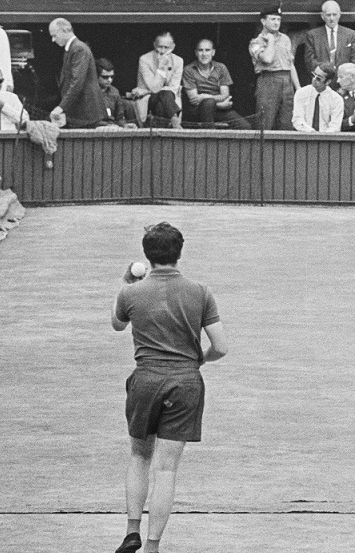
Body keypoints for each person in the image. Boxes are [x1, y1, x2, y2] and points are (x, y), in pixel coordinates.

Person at [112, 222, 228, 553]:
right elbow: (220, 346)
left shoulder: (131, 292)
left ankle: (131, 530)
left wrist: (126, 285)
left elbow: (117, 324)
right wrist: (197, 361)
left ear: (147, 255)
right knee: (166, 468)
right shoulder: (200, 292)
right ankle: (151, 546)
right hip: (185, 382)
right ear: (179, 252)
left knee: (138, 455)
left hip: (145, 379)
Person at [249, 4, 300, 130]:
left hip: (287, 81)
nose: (276, 23)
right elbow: (267, 59)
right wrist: (270, 41)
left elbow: (290, 64)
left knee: (287, 122)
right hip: (268, 81)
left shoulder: (285, 39)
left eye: (278, 19)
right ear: (263, 21)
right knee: (265, 122)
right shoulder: (256, 42)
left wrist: (298, 87)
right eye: (272, 19)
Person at [49, 18, 106, 129]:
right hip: (81, 112)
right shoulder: (74, 48)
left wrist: (61, 108)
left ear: (65, 30)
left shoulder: (78, 49)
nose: (53, 40)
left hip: (84, 113)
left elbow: (77, 82)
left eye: (55, 35)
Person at [182, 39, 251, 129]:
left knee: (245, 127)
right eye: (200, 50)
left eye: (207, 50)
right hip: (198, 110)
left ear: (213, 52)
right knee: (208, 103)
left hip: (218, 110)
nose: (204, 54)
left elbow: (225, 95)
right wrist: (220, 105)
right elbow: (194, 99)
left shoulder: (221, 68)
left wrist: (204, 97)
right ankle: (210, 140)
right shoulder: (189, 69)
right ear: (196, 53)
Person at [131, 32, 184, 129]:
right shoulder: (144, 59)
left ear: (173, 47)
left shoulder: (178, 61)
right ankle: (175, 123)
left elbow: (173, 88)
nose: (163, 51)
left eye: (166, 48)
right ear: (154, 45)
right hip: (149, 100)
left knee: (163, 100)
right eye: (160, 47)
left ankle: (168, 130)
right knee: (164, 95)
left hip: (168, 100)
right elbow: (154, 88)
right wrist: (161, 67)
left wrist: (145, 90)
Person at [295, 0, 355, 83]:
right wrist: (323, 74)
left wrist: (345, 79)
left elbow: (354, 60)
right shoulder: (312, 35)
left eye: (334, 15)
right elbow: (310, 61)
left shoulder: (350, 34)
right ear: (322, 16)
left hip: (343, 81)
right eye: (328, 15)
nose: (332, 18)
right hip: (321, 81)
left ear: (339, 15)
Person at [292, 61, 344, 132]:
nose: (314, 79)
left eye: (318, 78)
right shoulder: (301, 93)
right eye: (313, 75)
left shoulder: (336, 99)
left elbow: (335, 125)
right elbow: (297, 119)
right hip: (304, 136)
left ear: (328, 82)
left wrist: (322, 137)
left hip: (327, 139)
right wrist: (312, 132)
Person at [97, 58, 141, 128]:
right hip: (96, 129)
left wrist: (124, 125)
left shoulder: (114, 91)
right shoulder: (89, 93)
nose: (109, 80)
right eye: (105, 77)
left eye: (112, 77)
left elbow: (119, 117)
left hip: (113, 128)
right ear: (96, 76)